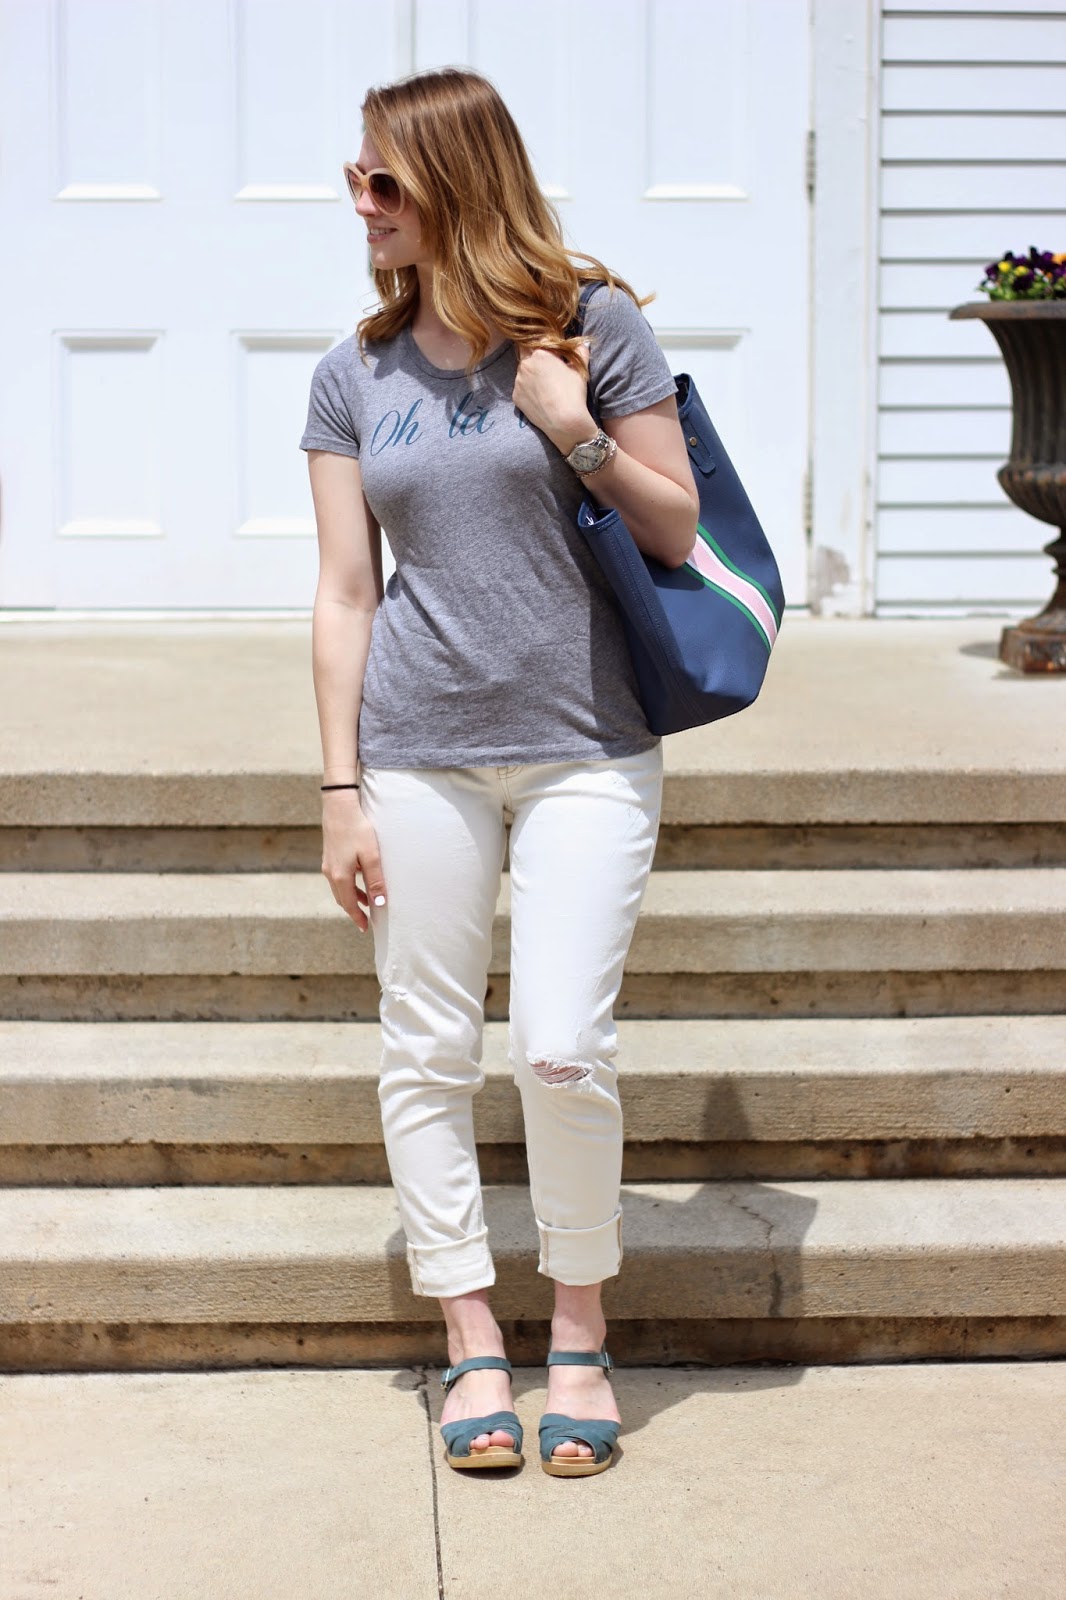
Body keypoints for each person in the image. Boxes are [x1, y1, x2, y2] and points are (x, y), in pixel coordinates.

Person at [299, 66, 698, 1477]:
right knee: (425, 1047)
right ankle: (472, 1333)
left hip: (589, 744)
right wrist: (338, 790)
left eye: (383, 179)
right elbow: (346, 592)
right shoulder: (353, 375)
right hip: (418, 749)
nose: (360, 202)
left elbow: (674, 525)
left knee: (559, 1044)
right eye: (355, 177)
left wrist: (572, 426)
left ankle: (579, 1324)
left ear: (458, 180)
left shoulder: (591, 328)